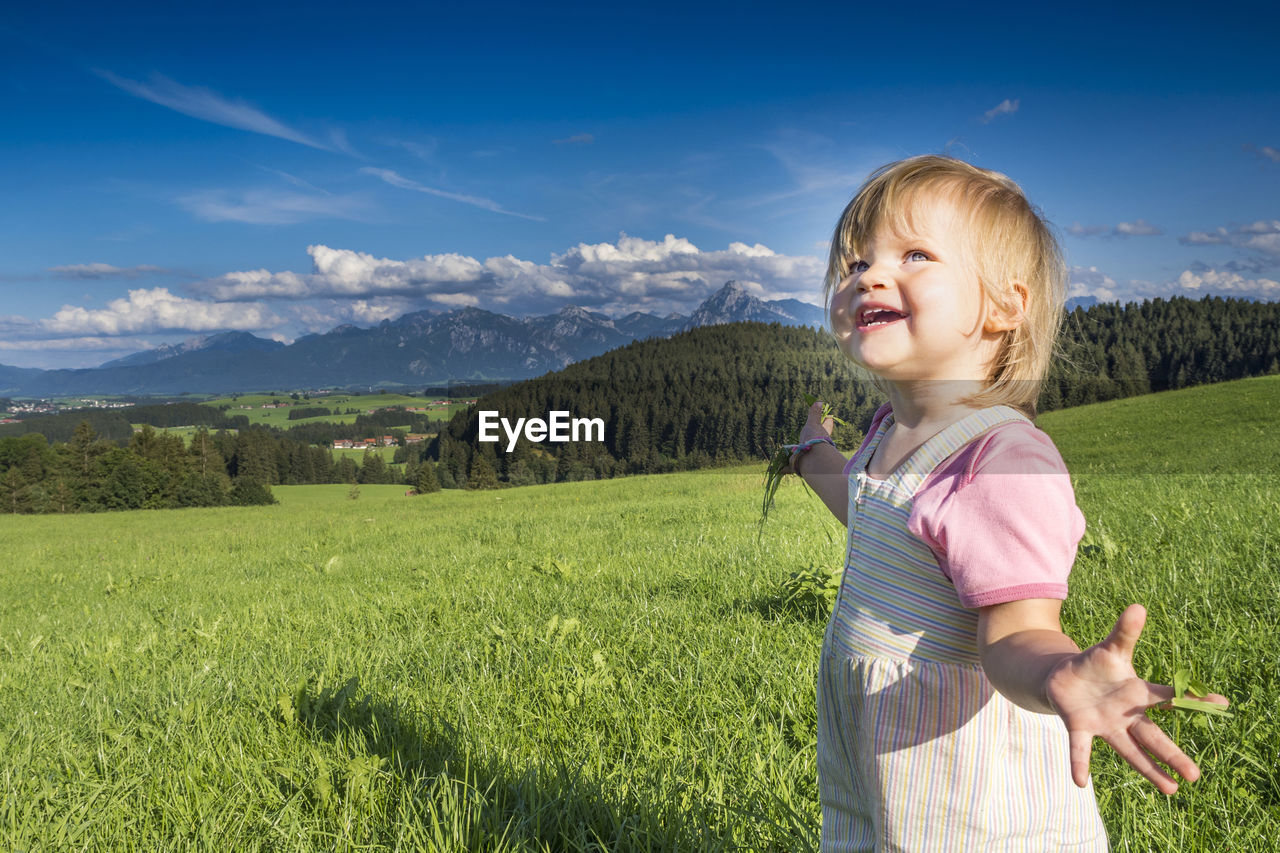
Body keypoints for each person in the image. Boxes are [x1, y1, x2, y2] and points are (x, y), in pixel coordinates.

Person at [781, 155, 1227, 850]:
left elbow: (1018, 631)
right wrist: (815, 455)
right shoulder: (890, 431)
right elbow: (877, 517)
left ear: (1003, 307)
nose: (867, 274)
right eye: (854, 262)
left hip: (967, 798)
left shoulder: (1001, 459)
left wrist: (1060, 674)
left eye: (915, 254)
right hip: (882, 764)